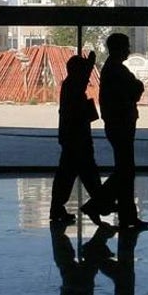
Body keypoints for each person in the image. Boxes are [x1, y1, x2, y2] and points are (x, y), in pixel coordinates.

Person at [84, 32, 148, 230]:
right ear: (119, 48)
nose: (129, 50)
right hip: (121, 124)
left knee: (125, 171)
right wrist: (137, 86)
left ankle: (126, 213)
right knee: (125, 171)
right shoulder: (117, 70)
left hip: (118, 124)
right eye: (127, 46)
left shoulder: (112, 69)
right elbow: (135, 89)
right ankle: (97, 205)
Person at [49, 51, 107, 224]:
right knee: (87, 174)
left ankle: (59, 208)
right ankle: (98, 205)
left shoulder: (68, 85)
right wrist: (90, 63)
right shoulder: (73, 85)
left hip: (71, 139)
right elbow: (81, 82)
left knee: (67, 176)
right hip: (77, 139)